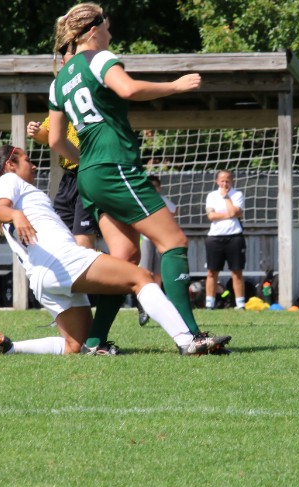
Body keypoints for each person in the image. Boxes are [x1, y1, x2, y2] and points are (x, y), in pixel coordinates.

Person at [46, 3, 223, 345]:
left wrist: (87, 163)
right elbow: (127, 89)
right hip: (115, 167)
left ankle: (96, 342)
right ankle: (191, 335)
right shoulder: (98, 59)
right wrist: (175, 86)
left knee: (125, 259)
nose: (111, 35)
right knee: (174, 242)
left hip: (90, 175)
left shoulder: (58, 82)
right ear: (94, 30)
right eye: (108, 28)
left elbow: (55, 140)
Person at [0, 145, 230, 357]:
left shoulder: (20, 188)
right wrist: (16, 215)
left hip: (42, 278)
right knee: (141, 278)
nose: (35, 165)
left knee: (75, 346)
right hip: (60, 261)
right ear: (10, 165)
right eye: (28, 160)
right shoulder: (8, 180)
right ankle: (187, 341)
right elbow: (0, 210)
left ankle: (10, 348)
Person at [26, 47, 98, 249]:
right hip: (69, 178)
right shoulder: (62, 98)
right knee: (61, 239)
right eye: (65, 64)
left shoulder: (91, 93)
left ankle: (105, 274)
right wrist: (35, 131)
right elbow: (48, 135)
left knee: (83, 243)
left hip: (88, 173)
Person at [136, 174, 177, 325]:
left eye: (155, 186)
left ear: (159, 188)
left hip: (160, 240)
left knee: (158, 274)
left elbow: (173, 211)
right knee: (145, 272)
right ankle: (143, 306)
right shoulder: (141, 200)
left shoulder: (163, 201)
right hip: (145, 239)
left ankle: (157, 304)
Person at [204, 170, 246, 310]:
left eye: (227, 180)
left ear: (232, 181)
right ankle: (209, 303)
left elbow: (235, 212)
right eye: (222, 180)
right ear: (217, 181)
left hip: (234, 236)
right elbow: (211, 216)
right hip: (215, 237)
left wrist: (226, 197)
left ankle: (240, 304)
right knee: (212, 271)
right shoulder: (211, 196)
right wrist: (230, 214)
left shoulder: (237, 194)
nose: (224, 183)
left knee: (237, 271)